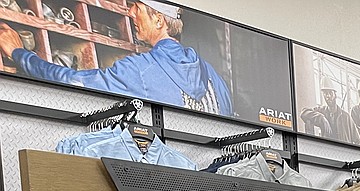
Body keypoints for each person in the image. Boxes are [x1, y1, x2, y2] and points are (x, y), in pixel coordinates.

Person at [0, 1, 232, 115]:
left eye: (137, 7)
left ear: (159, 21)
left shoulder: (138, 70)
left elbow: (71, 80)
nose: (130, 12)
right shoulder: (216, 79)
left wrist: (19, 53)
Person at [300, 77, 359, 143]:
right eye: (325, 93)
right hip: (327, 150)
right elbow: (304, 113)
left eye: (330, 93)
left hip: (342, 151)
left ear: (335, 95)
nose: (328, 96)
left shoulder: (346, 117)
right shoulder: (321, 111)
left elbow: (358, 141)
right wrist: (322, 118)